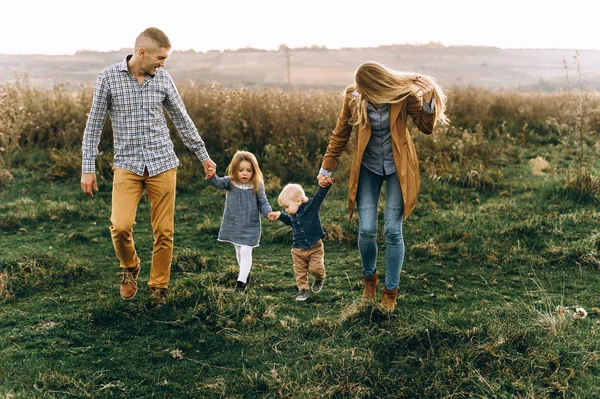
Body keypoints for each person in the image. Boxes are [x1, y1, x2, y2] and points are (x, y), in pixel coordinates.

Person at [80, 27, 216, 306]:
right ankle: (130, 268)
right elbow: (94, 124)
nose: (162, 63)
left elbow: (182, 119)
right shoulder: (108, 78)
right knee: (120, 226)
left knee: (164, 231)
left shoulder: (164, 80)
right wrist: (87, 166)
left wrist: (203, 155)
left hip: (163, 163)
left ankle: (158, 286)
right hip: (127, 165)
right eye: (160, 57)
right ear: (142, 52)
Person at [318, 61, 449, 311]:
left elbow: (426, 128)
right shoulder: (353, 96)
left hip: (397, 168)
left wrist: (428, 101)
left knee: (392, 230)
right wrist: (326, 168)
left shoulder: (402, 95)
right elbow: (340, 133)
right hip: (367, 167)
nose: (358, 92)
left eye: (363, 89)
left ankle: (390, 292)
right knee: (366, 230)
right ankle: (370, 281)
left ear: (376, 86)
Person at [206, 150, 278, 293]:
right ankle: (244, 276)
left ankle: (240, 283)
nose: (245, 173)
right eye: (241, 170)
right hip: (234, 224)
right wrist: (211, 175)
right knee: (239, 251)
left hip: (250, 225)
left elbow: (263, 203)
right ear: (235, 170)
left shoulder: (257, 185)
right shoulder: (229, 182)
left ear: (254, 171)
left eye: (248, 170)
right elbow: (217, 182)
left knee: (246, 251)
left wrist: (268, 212)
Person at [269, 179, 331, 301]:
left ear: (298, 200)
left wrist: (324, 186)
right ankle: (303, 290)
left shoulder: (311, 208)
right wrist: (280, 215)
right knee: (300, 272)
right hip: (297, 249)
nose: (286, 209)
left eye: (287, 206)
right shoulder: (293, 215)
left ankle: (319, 278)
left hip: (314, 247)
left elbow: (319, 196)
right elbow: (289, 221)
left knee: (316, 269)